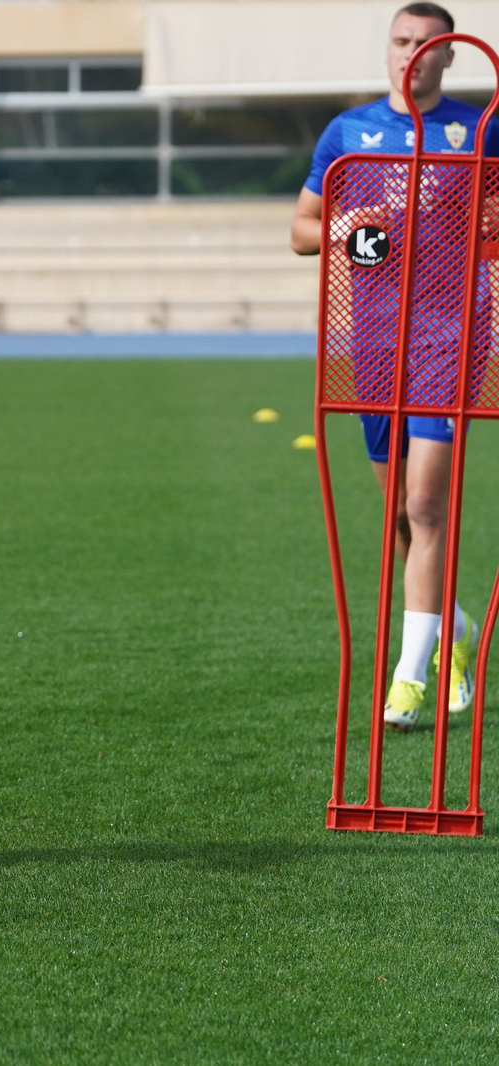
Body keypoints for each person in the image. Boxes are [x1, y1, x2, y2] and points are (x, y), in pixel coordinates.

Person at [290, 2, 498, 729]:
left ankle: (408, 678)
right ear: (388, 49)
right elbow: (301, 230)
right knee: (400, 519)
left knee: (427, 506)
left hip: (453, 334)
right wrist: (347, 225)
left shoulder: (482, 128)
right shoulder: (349, 131)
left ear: (450, 55)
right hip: (374, 340)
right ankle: (455, 628)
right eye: (400, 41)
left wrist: (489, 220)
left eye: (426, 44)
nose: (411, 54)